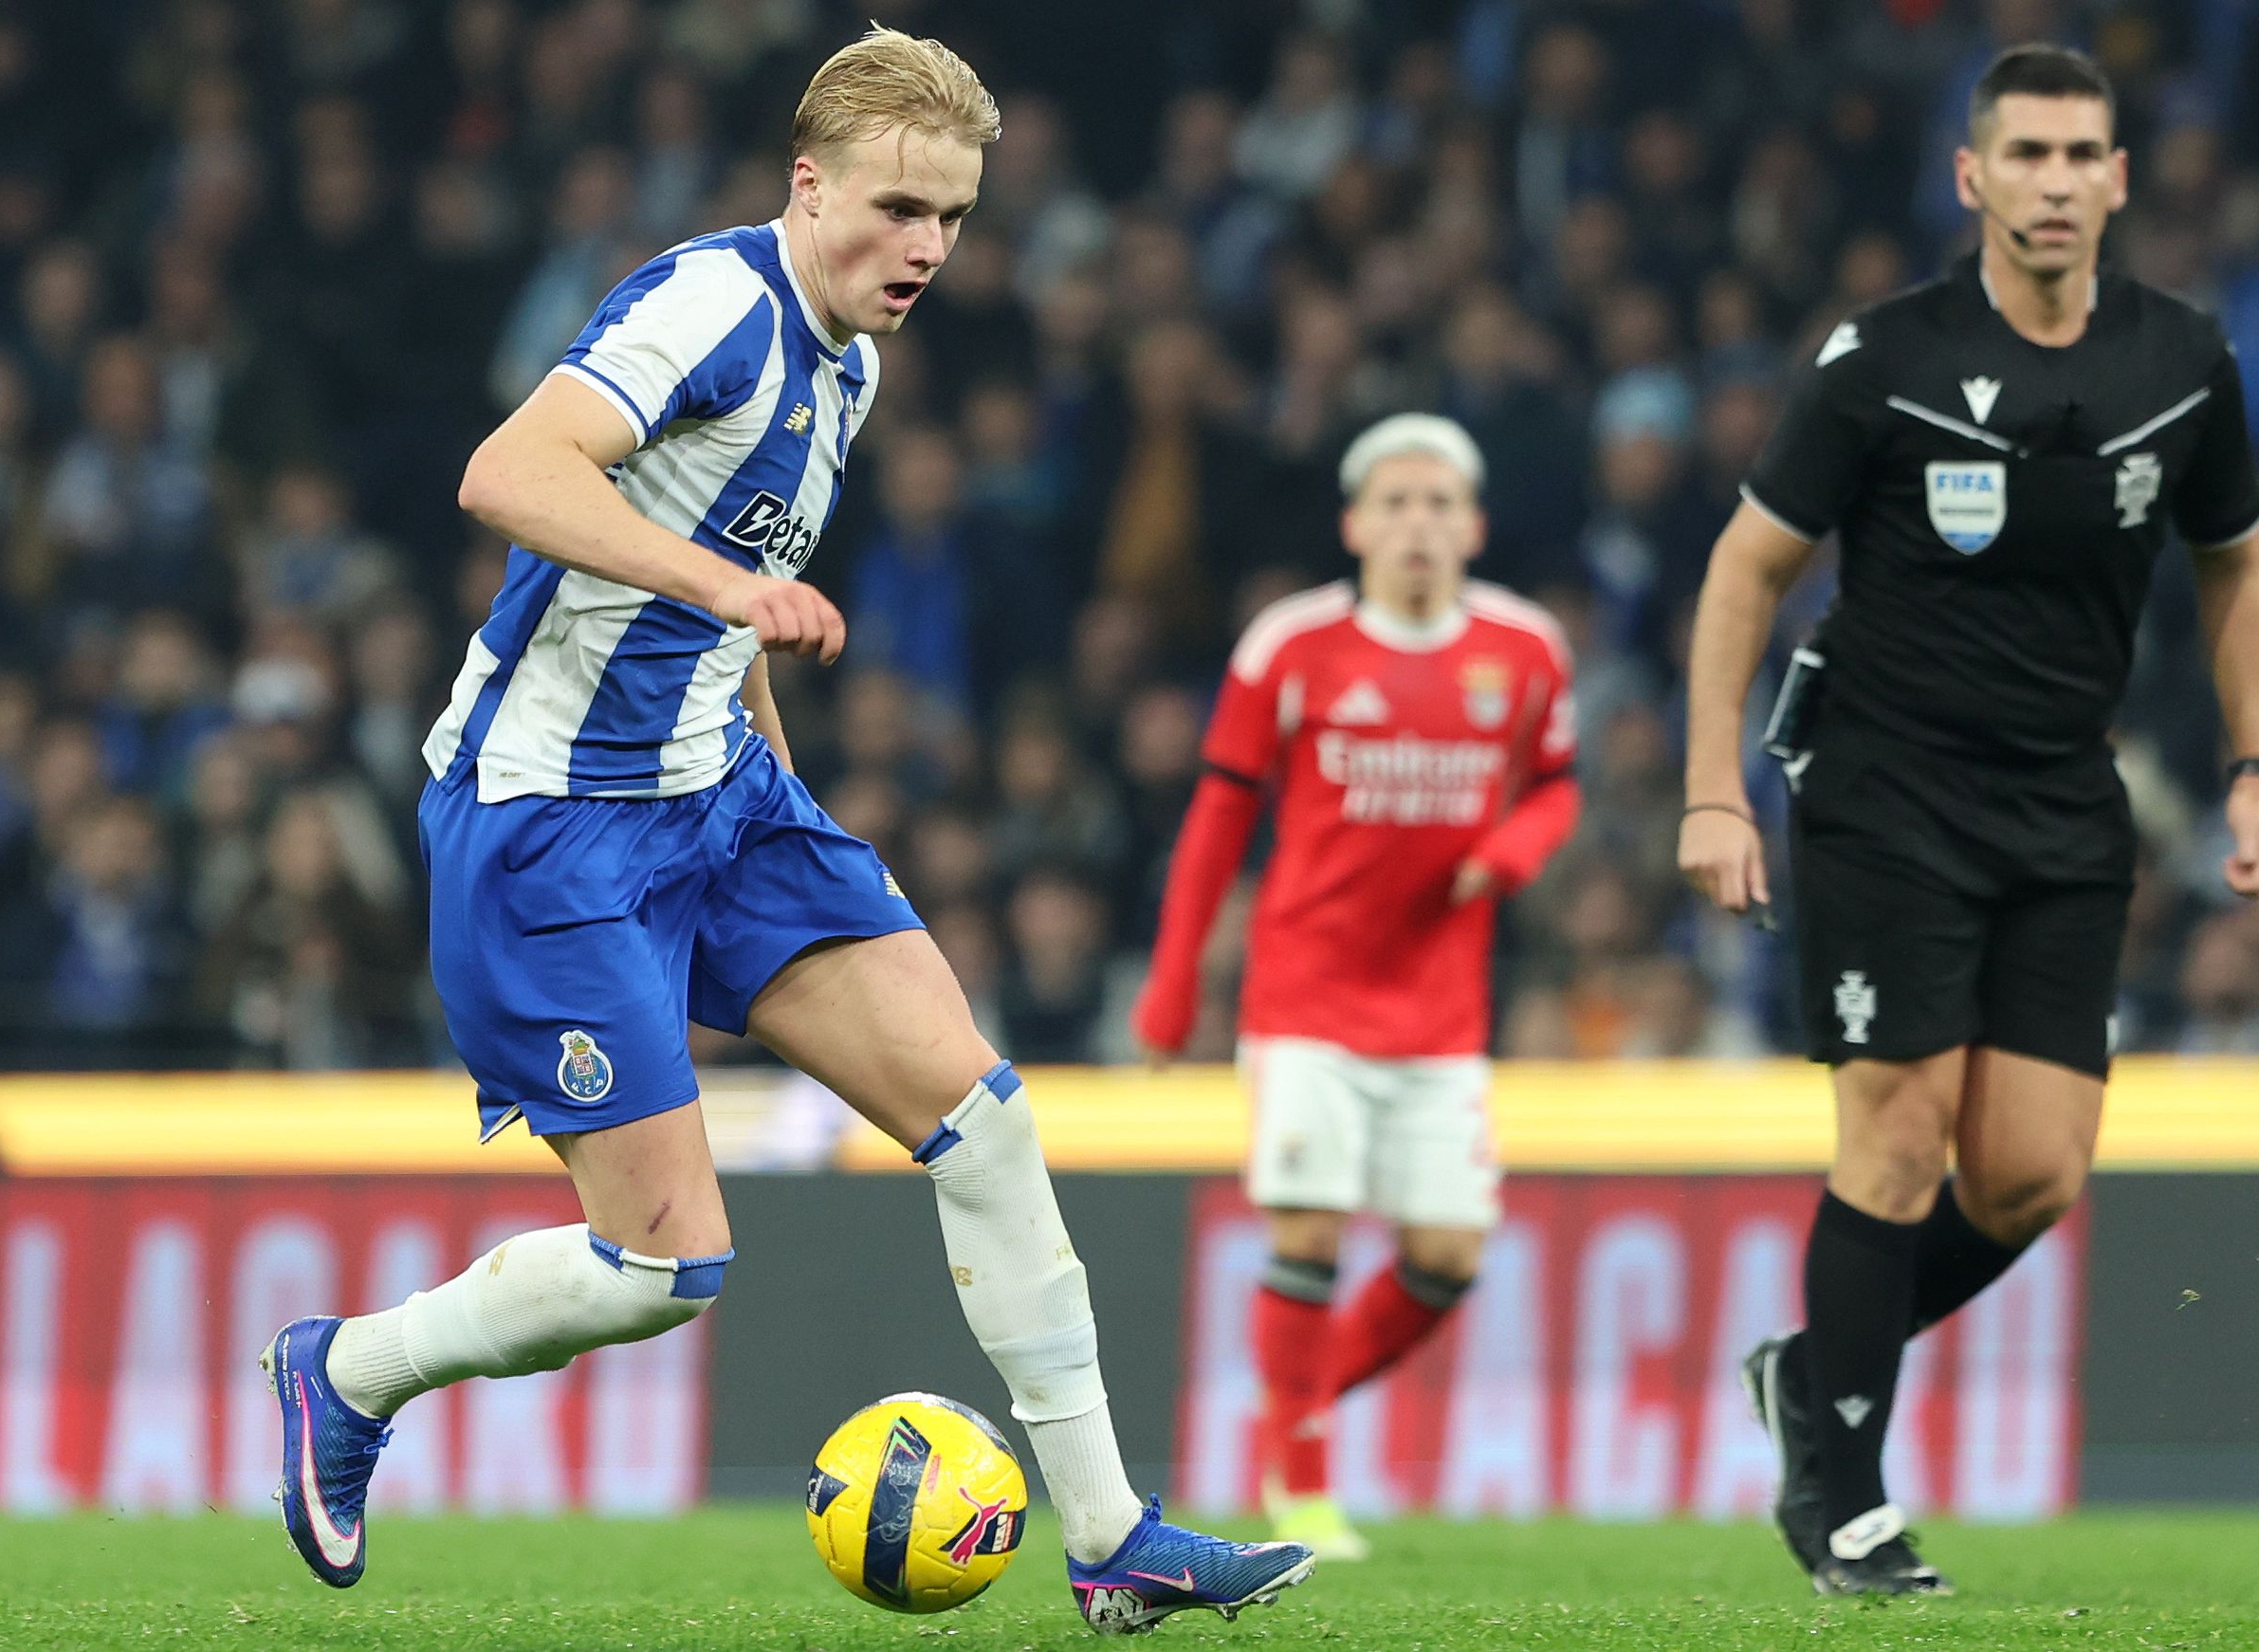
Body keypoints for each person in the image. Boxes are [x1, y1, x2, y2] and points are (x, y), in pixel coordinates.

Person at [259, 28, 1313, 1634]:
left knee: (989, 1117)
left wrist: (770, 749)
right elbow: (508, 470)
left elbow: (731, 574)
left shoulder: (852, 358)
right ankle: (344, 1368)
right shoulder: (710, 305)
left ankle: (1110, 1540)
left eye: (951, 218)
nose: (926, 250)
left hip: (725, 804)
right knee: (659, 1271)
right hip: (553, 825)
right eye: (897, 208)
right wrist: (725, 587)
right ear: (804, 184)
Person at [1678, 46, 2259, 1597]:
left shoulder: (2184, 360)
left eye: (2080, 154)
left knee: (2028, 1173)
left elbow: (2232, 564)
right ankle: (1848, 1501)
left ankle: (1806, 1372)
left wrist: (2253, 766)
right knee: (1890, 1126)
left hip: (2061, 802)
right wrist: (1706, 791)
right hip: (1885, 788)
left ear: (2118, 180)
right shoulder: (1876, 358)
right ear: (1969, 178)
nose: (2052, 183)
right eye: (2021, 154)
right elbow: (1744, 570)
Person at [1132, 413, 1580, 1558]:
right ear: (1355, 523)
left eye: (1439, 503)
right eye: (1396, 502)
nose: (1418, 523)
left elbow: (1557, 790)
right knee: (1312, 1230)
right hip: (1307, 994)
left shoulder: (1527, 651)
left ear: (1474, 525)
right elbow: (1219, 817)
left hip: (1440, 1012)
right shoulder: (1290, 646)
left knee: (1447, 1254)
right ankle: (1306, 1477)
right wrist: (1174, 982)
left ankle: (1297, 1403)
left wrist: (1513, 853)